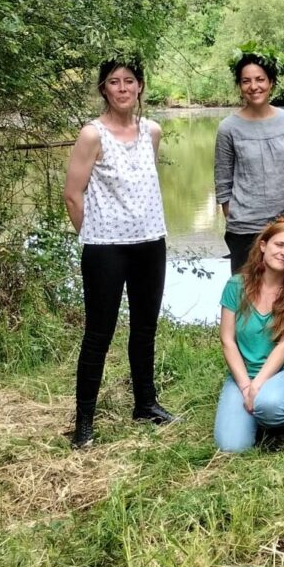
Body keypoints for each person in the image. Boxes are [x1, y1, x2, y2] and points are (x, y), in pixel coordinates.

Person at [63, 55, 175, 449]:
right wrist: (94, 234)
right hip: (105, 248)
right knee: (98, 333)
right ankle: (84, 424)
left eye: (130, 81)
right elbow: (72, 195)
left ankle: (145, 404)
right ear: (104, 89)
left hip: (150, 243)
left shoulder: (152, 132)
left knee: (145, 330)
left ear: (140, 87)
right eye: (114, 82)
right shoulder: (92, 134)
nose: (123, 88)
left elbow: (143, 186)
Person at [214, 220, 284, 452]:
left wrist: (257, 387)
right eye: (279, 244)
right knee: (232, 447)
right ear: (263, 245)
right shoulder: (235, 286)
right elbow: (227, 340)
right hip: (244, 374)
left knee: (269, 404)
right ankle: (259, 416)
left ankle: (280, 420)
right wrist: (245, 386)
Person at [214, 46, 284, 274]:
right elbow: (223, 182)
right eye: (246, 81)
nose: (254, 87)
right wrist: (232, 215)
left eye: (260, 79)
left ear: (271, 82)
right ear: (240, 86)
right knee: (245, 298)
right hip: (243, 229)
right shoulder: (228, 128)